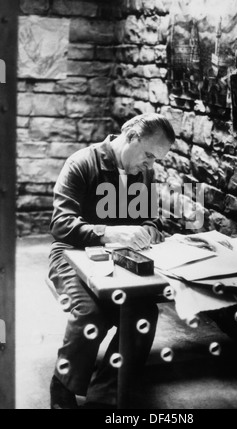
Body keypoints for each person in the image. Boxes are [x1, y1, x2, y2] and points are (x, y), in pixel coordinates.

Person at [48, 113, 175, 409]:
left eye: (157, 159)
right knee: (91, 314)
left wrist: (149, 229)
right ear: (130, 137)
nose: (150, 165)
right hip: (70, 254)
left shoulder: (143, 172)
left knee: (144, 314)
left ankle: (106, 393)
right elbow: (61, 224)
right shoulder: (82, 162)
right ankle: (63, 384)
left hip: (119, 260)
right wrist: (109, 232)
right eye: (148, 155)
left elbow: (152, 218)